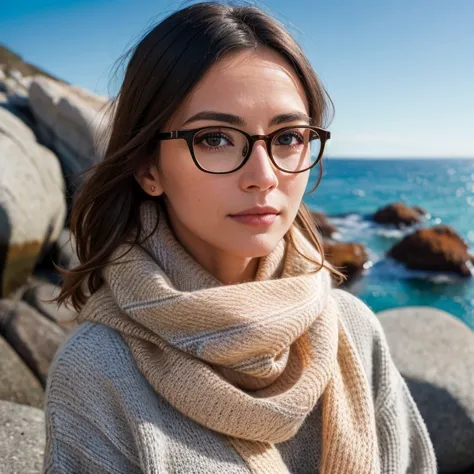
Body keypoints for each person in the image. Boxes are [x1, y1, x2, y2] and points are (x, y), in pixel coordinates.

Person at [42, 2, 437, 473]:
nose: (264, 176)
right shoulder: (97, 372)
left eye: (288, 136)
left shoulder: (354, 328)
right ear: (149, 168)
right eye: (214, 138)